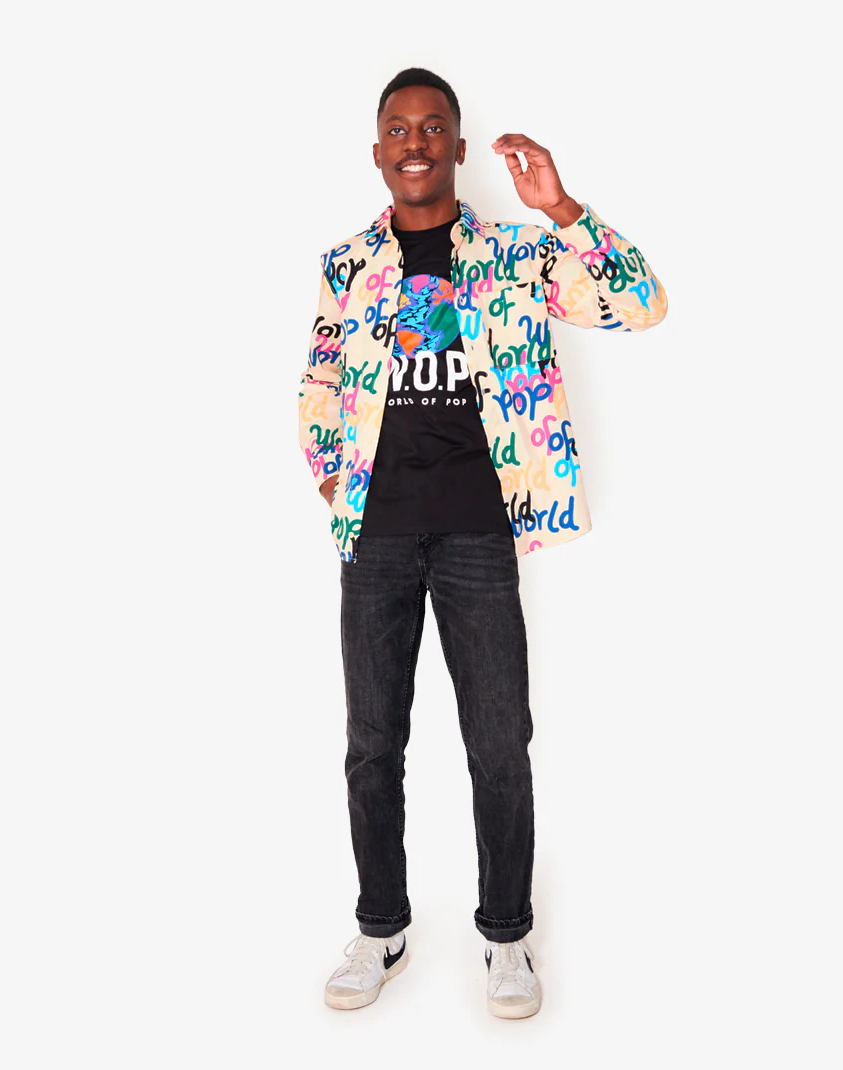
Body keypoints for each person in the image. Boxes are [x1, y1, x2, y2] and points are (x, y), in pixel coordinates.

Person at [297, 67, 668, 1018]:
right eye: (398, 128)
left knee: (500, 743)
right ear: (377, 151)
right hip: (375, 535)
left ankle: (506, 936)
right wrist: (334, 474)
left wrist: (563, 208)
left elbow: (643, 305)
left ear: (459, 147)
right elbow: (321, 380)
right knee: (372, 744)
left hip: (478, 532)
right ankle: (381, 927)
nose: (415, 142)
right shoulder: (348, 264)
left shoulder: (513, 255)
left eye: (433, 127)